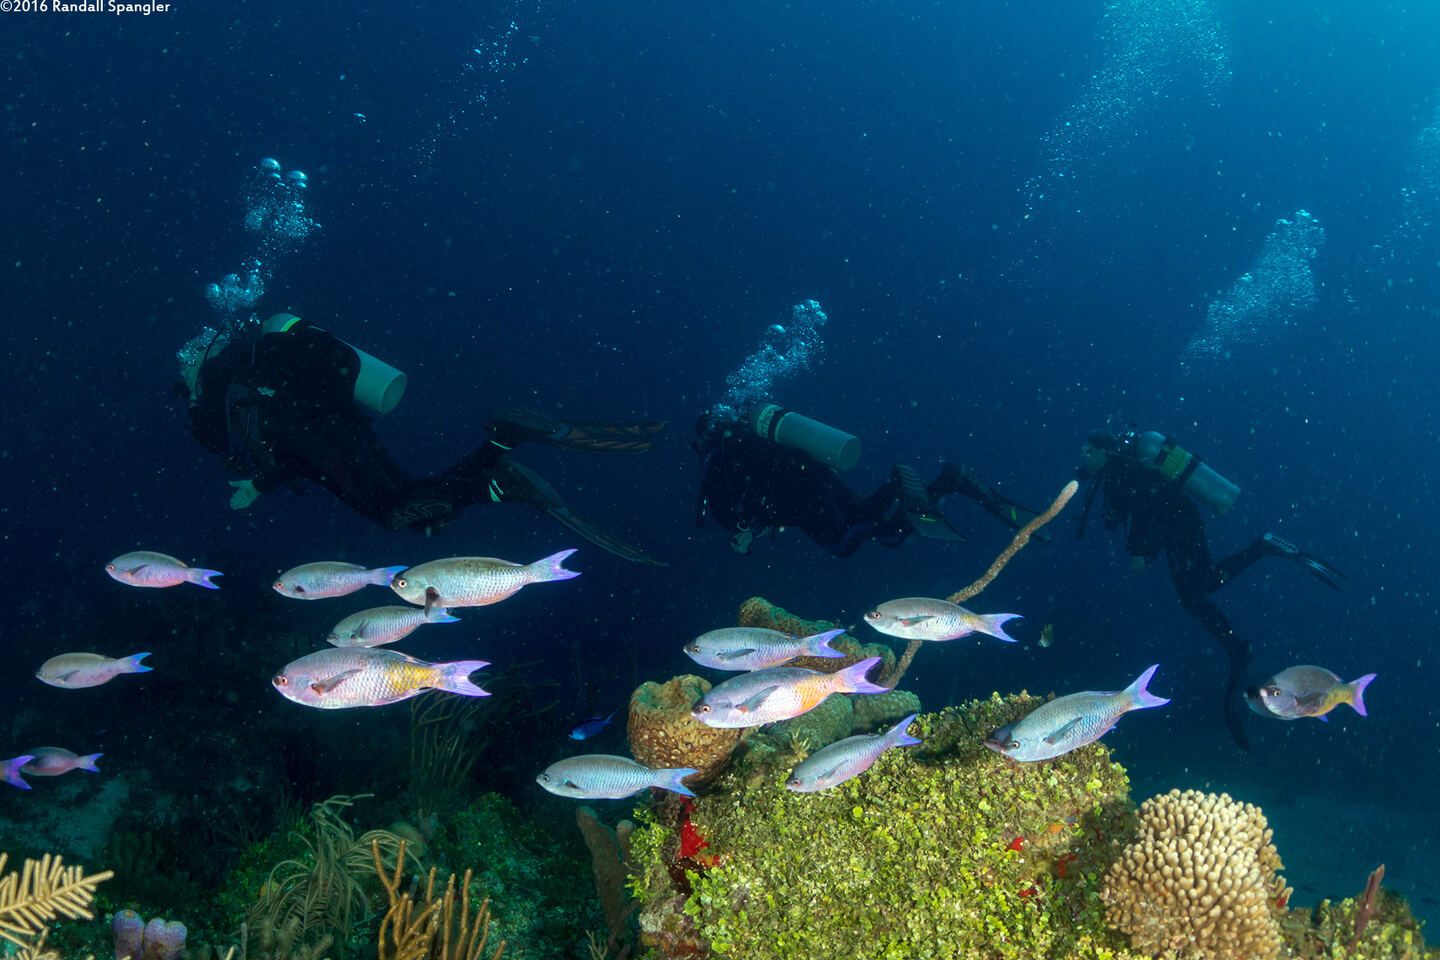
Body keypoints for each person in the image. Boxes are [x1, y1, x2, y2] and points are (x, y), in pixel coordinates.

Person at [177, 313, 667, 564]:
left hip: (322, 442)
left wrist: (250, 476)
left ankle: (503, 453)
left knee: (395, 512)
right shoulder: (262, 361)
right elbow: (288, 444)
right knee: (421, 516)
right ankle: (495, 466)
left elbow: (223, 439)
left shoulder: (218, 379)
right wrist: (263, 481)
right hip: (342, 429)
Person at [1075, 427, 1346, 750]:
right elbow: (1135, 510)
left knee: (1200, 588)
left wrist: (1140, 551)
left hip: (1177, 525)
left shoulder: (1121, 473)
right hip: (1179, 522)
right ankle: (1235, 642)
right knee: (1195, 593)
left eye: (1090, 452)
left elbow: (1145, 511)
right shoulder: (1121, 471)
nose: (1085, 457)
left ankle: (1259, 555)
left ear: (1106, 452)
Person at [693, 406, 1041, 557]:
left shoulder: (716, 462)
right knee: (862, 514)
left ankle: (940, 483)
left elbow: (732, 510)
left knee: (854, 542)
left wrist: (746, 529)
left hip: (800, 500)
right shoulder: (750, 438)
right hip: (815, 473)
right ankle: (924, 481)